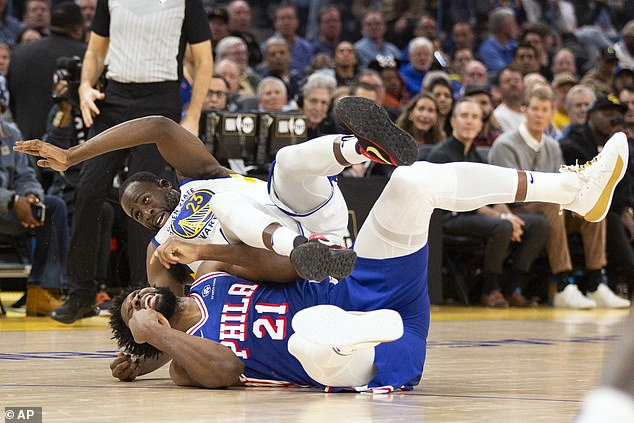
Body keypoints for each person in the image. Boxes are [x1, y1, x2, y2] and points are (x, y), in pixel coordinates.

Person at [105, 98, 629, 391]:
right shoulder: (182, 362)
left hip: (355, 279)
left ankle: (574, 190)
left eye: (134, 295)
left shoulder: (213, 272)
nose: (141, 301)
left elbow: (287, 272)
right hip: (356, 357)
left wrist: (202, 256)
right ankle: (365, 330)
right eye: (135, 310)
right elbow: (227, 370)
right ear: (144, 330)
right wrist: (154, 341)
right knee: (308, 337)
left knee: (414, 182)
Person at [15, 96, 420, 295]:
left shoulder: (201, 176)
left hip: (310, 220)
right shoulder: (161, 251)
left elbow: (158, 125)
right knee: (227, 209)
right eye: (136, 216)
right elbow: (172, 309)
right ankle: (301, 249)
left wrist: (73, 155)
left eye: (142, 201)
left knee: (288, 161)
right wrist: (146, 342)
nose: (143, 213)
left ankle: (364, 148)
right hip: (276, 262)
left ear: (165, 185)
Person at [53, 0, 212, 324]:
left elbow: (204, 60)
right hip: (114, 97)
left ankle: (144, 293)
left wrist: (193, 114)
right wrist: (85, 86)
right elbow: (96, 51)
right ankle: (81, 292)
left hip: (161, 98)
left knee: (148, 198)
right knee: (88, 188)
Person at [489, 87, 629, 309]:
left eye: (545, 110)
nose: (539, 114)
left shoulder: (553, 145)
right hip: (517, 208)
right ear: (524, 110)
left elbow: (560, 186)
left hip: (551, 207)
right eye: (534, 108)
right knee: (552, 203)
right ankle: (564, 284)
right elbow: (503, 190)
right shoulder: (505, 144)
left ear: (551, 113)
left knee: (593, 206)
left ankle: (596, 281)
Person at [428, 98, 549, 307]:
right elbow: (461, 200)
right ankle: (490, 289)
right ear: (453, 121)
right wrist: (502, 217)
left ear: (480, 123)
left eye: (475, 117)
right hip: (448, 218)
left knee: (539, 225)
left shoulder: (477, 155)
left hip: (477, 214)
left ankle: (512, 287)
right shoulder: (441, 154)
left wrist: (508, 214)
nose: (469, 121)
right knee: (501, 226)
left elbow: (494, 194)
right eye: (464, 116)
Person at [0, 117, 69, 316]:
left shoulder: (10, 133)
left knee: (54, 207)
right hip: (8, 203)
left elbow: (25, 175)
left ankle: (43, 290)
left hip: (10, 212)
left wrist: (31, 196)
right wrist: (12, 200)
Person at [7, 2, 86, 140]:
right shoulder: (85, 56)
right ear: (78, 28)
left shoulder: (19, 53)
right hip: (71, 146)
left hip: (25, 140)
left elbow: (11, 99)